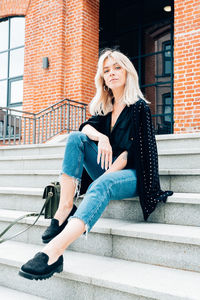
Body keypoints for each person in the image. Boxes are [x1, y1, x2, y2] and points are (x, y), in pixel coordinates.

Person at [18, 48, 173, 280]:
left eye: (117, 68)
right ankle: (65, 208)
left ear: (127, 72)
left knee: (103, 185)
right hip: (108, 166)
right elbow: (84, 128)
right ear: (103, 78)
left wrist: (101, 180)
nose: (111, 73)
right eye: (106, 70)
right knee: (75, 138)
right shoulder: (107, 105)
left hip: (131, 173)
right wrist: (101, 137)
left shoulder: (138, 107)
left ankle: (54, 251)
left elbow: (131, 155)